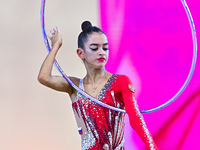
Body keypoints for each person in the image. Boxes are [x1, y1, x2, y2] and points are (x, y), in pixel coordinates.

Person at [38, 21, 158, 150]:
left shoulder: (121, 82)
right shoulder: (75, 86)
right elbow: (44, 77)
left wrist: (152, 147)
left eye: (105, 48)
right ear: (80, 53)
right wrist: (55, 46)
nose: (101, 52)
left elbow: (135, 118)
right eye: (95, 48)